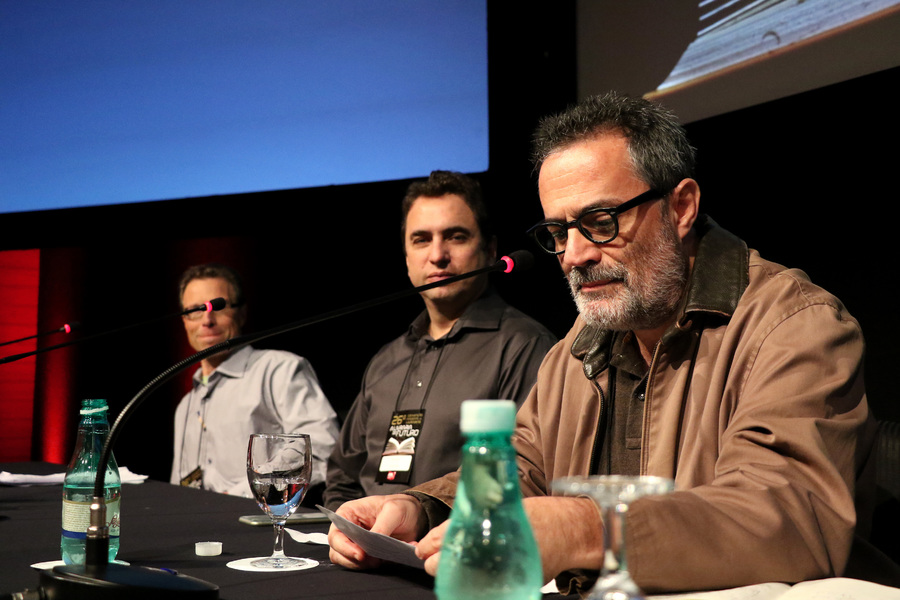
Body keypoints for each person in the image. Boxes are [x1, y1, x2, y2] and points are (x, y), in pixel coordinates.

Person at [327, 94, 887, 593]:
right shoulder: (583, 340)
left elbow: (787, 516)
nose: (573, 255)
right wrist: (420, 508)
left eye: (598, 221)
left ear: (681, 207)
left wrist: (587, 527)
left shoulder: (795, 326)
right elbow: (525, 467)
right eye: (557, 232)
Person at [323, 171, 556, 510]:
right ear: (406, 257)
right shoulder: (387, 360)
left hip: (453, 554)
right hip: (366, 553)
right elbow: (342, 479)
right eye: (421, 239)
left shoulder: (524, 347)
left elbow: (520, 478)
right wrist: (351, 530)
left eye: (456, 237)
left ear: (490, 249)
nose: (437, 255)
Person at [170, 263, 339, 501]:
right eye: (195, 310)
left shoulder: (279, 369)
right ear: (184, 321)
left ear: (242, 312)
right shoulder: (186, 405)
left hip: (258, 521)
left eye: (218, 307)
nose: (207, 320)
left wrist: (248, 490)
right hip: (197, 527)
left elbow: (319, 449)